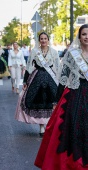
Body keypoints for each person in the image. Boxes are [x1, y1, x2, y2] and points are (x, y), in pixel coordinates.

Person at [35, 24, 88, 169]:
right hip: (76, 93)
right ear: (79, 36)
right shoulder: (72, 54)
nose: (87, 37)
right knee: (70, 127)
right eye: (84, 34)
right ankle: (72, 162)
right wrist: (56, 100)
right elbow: (63, 77)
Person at [15, 32, 61, 136]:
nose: (43, 40)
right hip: (37, 78)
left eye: (45, 38)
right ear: (39, 40)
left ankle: (47, 125)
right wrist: (25, 81)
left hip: (50, 79)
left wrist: (61, 81)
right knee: (37, 102)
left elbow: (58, 67)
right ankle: (41, 127)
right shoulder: (34, 52)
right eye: (41, 38)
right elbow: (28, 67)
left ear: (48, 40)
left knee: (50, 103)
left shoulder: (54, 52)